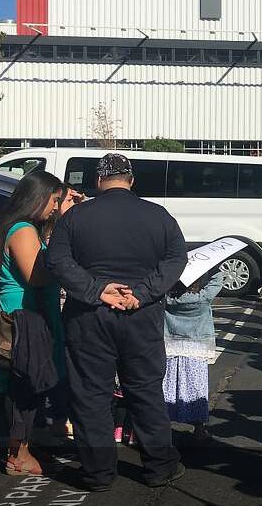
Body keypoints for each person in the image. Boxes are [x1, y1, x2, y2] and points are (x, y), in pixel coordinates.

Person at [46, 153, 188, 491]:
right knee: (145, 390)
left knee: (91, 394)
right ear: (131, 180)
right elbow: (176, 259)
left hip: (88, 315)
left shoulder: (75, 217)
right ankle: (159, 466)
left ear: (98, 181)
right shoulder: (158, 215)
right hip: (141, 315)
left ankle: (98, 473)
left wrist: (97, 289)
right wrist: (142, 292)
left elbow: (57, 260)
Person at [0, 171, 68, 476]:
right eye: (54, 200)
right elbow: (37, 276)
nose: (55, 207)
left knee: (24, 384)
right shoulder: (22, 230)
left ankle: (22, 448)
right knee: (24, 386)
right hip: (25, 316)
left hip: (22, 313)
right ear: (38, 197)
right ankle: (18, 455)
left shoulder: (15, 226)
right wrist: (64, 263)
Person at [163, 270, 223, 443]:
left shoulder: (167, 299)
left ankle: (164, 426)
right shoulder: (203, 299)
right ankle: (199, 428)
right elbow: (217, 281)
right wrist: (212, 267)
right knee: (197, 388)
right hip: (197, 347)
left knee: (169, 387)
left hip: (171, 345)